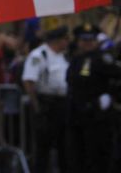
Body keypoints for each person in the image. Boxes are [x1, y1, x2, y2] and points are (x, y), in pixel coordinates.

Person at [66, 24, 121, 173]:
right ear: (78, 41)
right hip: (77, 115)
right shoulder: (75, 59)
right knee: (78, 155)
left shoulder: (103, 59)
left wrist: (110, 96)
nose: (87, 43)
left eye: (91, 40)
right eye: (84, 40)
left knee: (97, 156)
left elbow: (117, 78)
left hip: (96, 115)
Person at [21, 26, 70, 173]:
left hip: (62, 103)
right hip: (46, 104)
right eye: (65, 39)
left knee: (65, 145)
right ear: (57, 40)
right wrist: (36, 106)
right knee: (43, 147)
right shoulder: (39, 55)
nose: (68, 42)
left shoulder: (63, 56)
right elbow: (29, 81)